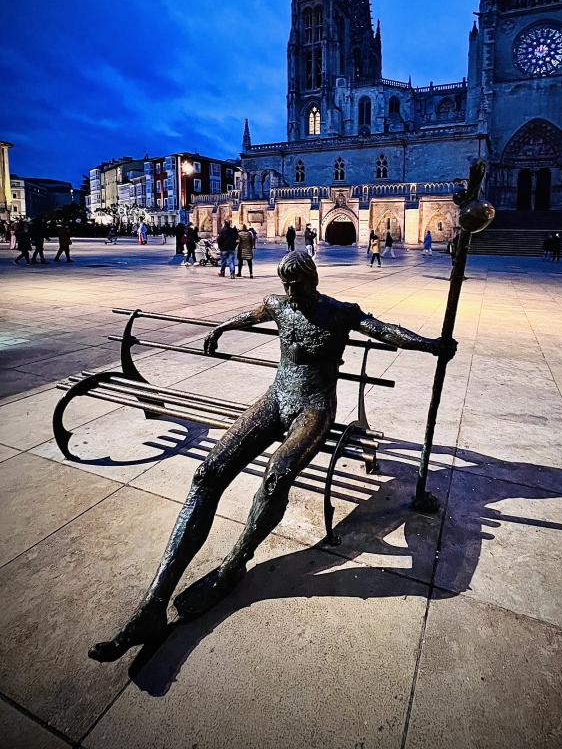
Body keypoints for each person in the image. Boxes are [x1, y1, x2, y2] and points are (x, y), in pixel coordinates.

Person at [88, 251, 456, 661]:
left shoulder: (340, 312)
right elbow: (251, 314)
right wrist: (221, 328)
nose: (291, 292)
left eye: (297, 284)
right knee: (207, 473)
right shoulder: (279, 305)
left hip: (314, 408)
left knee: (276, 473)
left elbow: (384, 330)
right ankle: (152, 605)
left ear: (313, 280)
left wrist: (431, 345)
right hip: (276, 399)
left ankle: (234, 563)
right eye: (286, 285)